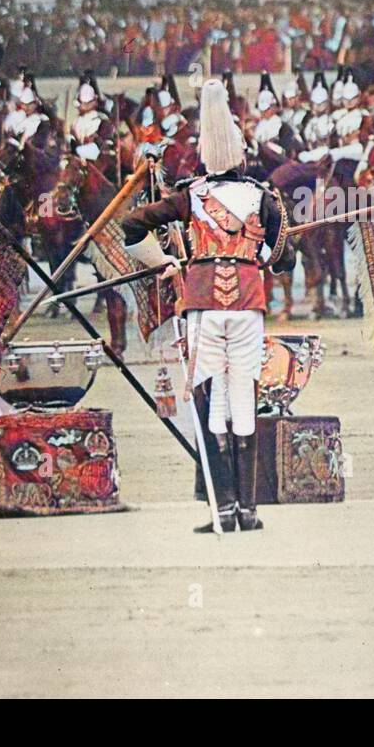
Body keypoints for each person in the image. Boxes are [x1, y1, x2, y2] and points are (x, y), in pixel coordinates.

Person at [121, 78, 294, 533]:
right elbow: (285, 259)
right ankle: (248, 511)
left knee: (209, 400)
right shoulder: (263, 197)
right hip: (247, 305)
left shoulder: (190, 196)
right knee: (243, 398)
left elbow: (132, 225)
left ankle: (221, 509)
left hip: (201, 303)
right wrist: (257, 254)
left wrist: (170, 261)